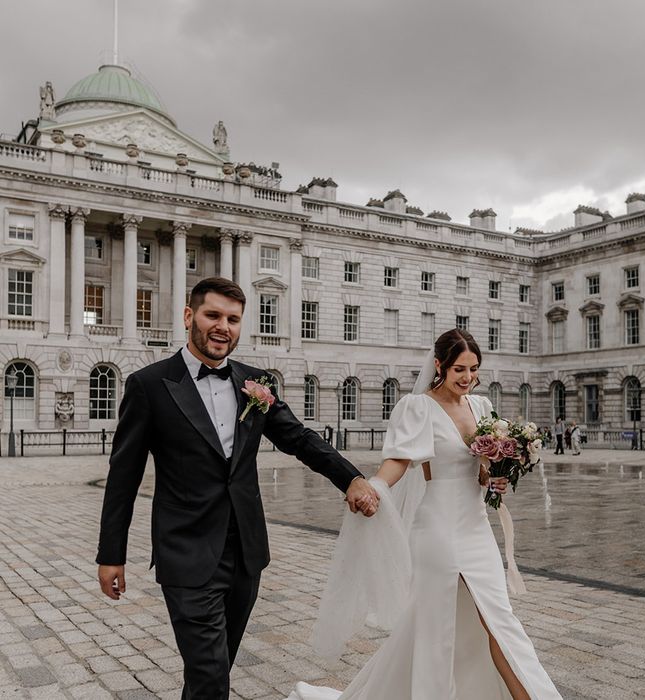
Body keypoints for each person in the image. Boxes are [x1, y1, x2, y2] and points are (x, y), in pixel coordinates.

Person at [96, 277, 378, 699]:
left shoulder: (255, 383)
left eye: (232, 319)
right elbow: (124, 476)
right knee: (210, 673)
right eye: (213, 315)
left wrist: (352, 477)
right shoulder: (150, 385)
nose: (222, 326)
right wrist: (111, 554)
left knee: (214, 667)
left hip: (246, 553)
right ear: (190, 316)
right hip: (186, 551)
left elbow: (299, 439)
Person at [286, 329, 562, 700]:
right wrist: (375, 488)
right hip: (438, 531)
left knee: (500, 622)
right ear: (439, 366)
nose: (467, 377)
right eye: (459, 369)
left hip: (476, 527)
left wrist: (496, 477)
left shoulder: (481, 408)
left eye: (474, 369)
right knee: (437, 631)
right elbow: (399, 461)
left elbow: (481, 471)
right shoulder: (418, 407)